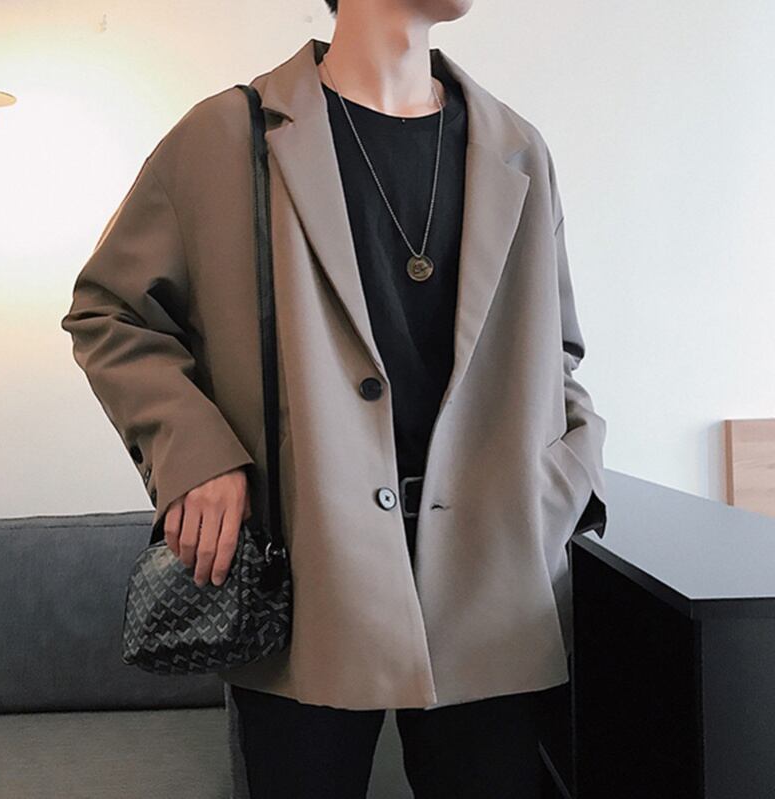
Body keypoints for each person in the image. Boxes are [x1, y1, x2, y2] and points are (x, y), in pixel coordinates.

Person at [61, 1, 608, 797]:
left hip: (494, 574)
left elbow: (557, 353)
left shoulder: (517, 148)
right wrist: (194, 452)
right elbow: (109, 311)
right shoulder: (228, 136)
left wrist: (563, 482)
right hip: (309, 580)